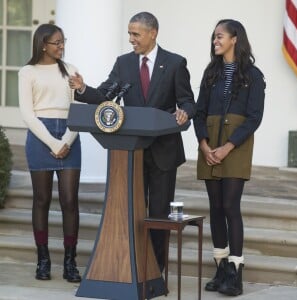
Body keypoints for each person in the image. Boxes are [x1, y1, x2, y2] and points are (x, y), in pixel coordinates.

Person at [69, 11, 195, 272]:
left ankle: (156, 271)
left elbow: (187, 102)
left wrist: (184, 112)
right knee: (134, 213)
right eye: (129, 33)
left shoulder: (174, 63)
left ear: (153, 33)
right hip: (130, 152)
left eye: (135, 34)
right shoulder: (124, 63)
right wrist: (82, 89)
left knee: (159, 215)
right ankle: (134, 268)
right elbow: (105, 95)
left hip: (163, 152)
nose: (131, 39)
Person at [193, 19, 265, 296]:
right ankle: (220, 267)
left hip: (236, 147)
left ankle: (235, 272)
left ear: (235, 38)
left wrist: (228, 146)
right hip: (209, 146)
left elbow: (254, 118)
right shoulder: (211, 73)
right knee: (215, 207)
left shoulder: (253, 75)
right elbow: (199, 112)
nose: (215, 41)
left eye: (220, 36)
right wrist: (204, 144)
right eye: (214, 37)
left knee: (229, 205)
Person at [18, 24, 82, 282]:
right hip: (40, 136)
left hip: (70, 134)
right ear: (43, 43)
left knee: (69, 201)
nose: (62, 46)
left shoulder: (72, 71)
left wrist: (66, 138)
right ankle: (43, 260)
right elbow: (27, 114)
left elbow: (78, 109)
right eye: (56, 42)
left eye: (63, 41)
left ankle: (70, 262)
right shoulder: (27, 72)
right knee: (41, 200)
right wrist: (53, 143)